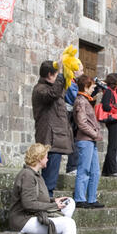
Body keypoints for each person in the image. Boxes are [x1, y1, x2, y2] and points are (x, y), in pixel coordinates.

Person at [8, 143, 96, 234]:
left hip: (33, 215)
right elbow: (28, 204)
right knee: (68, 224)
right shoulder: (27, 175)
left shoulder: (35, 174)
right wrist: (54, 206)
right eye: (46, 157)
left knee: (69, 203)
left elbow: (39, 198)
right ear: (39, 158)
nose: (48, 159)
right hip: (23, 220)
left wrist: (54, 200)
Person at [31, 59, 73, 195]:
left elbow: (58, 91)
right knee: (48, 177)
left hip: (56, 137)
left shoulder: (51, 88)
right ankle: (45, 200)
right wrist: (61, 76)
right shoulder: (40, 89)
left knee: (52, 176)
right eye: (56, 75)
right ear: (50, 74)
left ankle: (47, 198)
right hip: (49, 138)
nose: (57, 78)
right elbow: (53, 94)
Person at [71, 75, 104, 209]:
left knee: (95, 171)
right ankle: (79, 198)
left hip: (91, 140)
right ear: (85, 87)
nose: (93, 90)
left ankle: (91, 198)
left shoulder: (86, 100)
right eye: (91, 87)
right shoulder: (80, 101)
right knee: (84, 169)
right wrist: (95, 134)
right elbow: (82, 123)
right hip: (85, 140)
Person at [97, 73, 117, 176]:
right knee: (113, 146)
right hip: (113, 120)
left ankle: (106, 170)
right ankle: (112, 170)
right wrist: (115, 111)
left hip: (116, 120)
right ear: (115, 81)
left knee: (113, 145)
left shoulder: (113, 91)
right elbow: (105, 106)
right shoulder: (109, 91)